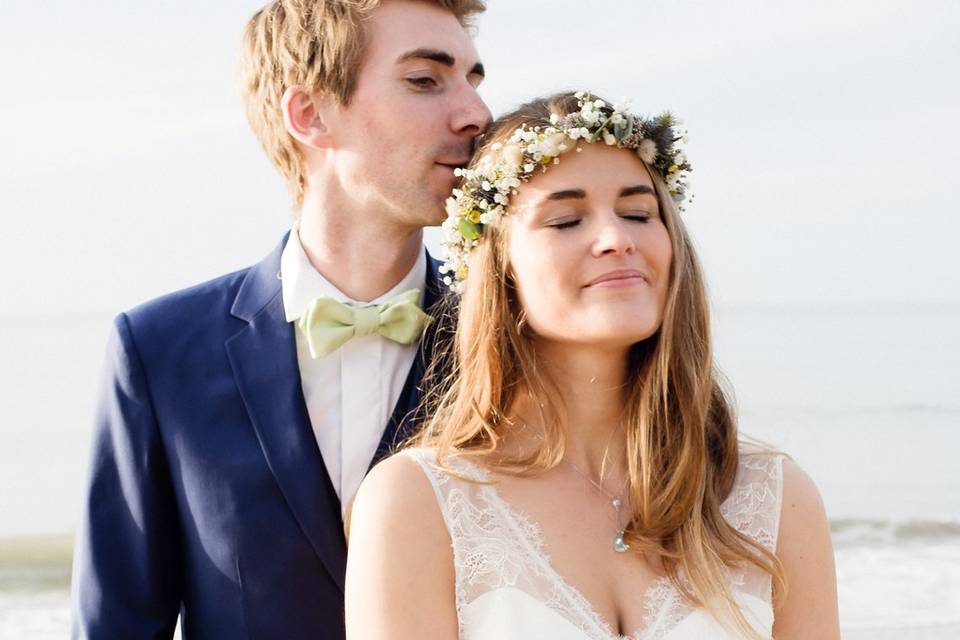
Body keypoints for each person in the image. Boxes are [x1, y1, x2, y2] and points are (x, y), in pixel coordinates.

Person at [345, 92, 840, 639]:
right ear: (499, 267)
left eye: (637, 213)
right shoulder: (417, 501)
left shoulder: (773, 496)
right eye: (565, 220)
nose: (616, 239)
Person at [70, 1, 490, 638]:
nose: (476, 115)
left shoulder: (511, 338)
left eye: (473, 81)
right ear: (310, 113)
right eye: (426, 81)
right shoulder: (156, 351)